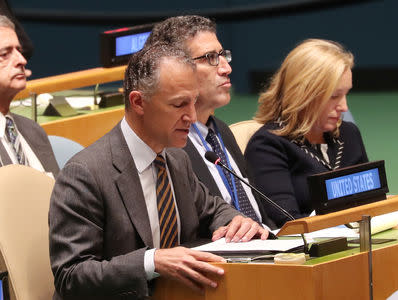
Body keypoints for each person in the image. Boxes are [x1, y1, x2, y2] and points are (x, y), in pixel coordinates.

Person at [49, 42, 268, 300]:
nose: (191, 115)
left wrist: (234, 222)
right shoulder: (85, 174)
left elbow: (211, 209)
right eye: (179, 105)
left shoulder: (175, 159)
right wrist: (152, 262)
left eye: (194, 102)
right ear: (139, 102)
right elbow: (71, 275)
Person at [146, 15, 275, 229]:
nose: (226, 69)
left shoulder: (220, 131)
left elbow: (262, 216)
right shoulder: (164, 147)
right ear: (173, 69)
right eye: (209, 58)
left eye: (223, 56)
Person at [245, 39, 368, 227]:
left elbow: (371, 201)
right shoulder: (267, 146)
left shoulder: (349, 135)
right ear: (303, 94)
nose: (344, 107)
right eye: (334, 96)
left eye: (346, 94)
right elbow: (289, 225)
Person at [0, 15, 58, 176]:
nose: (22, 60)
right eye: (5, 54)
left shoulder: (33, 131)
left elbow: (61, 198)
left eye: (18, 50)